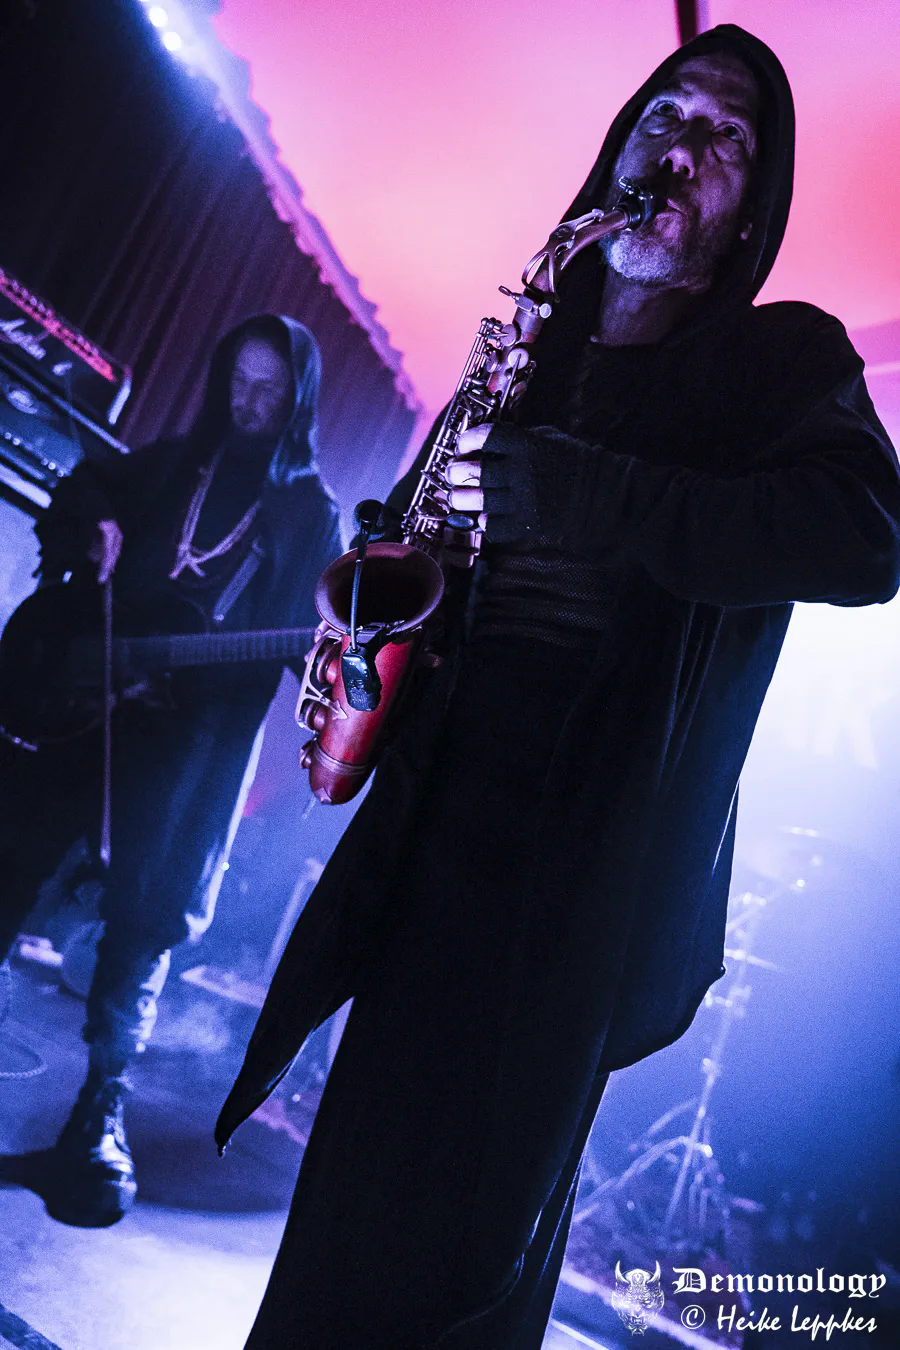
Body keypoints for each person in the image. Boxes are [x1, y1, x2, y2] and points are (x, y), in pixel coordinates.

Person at [218, 25, 900, 1350]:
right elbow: (420, 536)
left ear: (751, 208)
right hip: (429, 834)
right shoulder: (530, 350)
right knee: (347, 1215)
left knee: (464, 1264)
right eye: (666, 115)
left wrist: (584, 492)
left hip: (580, 868)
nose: (685, 147)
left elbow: (868, 540)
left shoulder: (782, 360)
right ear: (616, 152)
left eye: (729, 137)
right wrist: (384, 587)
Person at [0, 316, 343, 1226]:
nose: (249, 401)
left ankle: (95, 1124)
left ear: (298, 398)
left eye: (269, 389)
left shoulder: (309, 514)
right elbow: (84, 484)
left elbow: (302, 650)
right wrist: (96, 528)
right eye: (240, 381)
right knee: (7, 862)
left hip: (186, 754)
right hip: (80, 717)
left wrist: (342, 665)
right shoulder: (172, 467)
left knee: (141, 930)